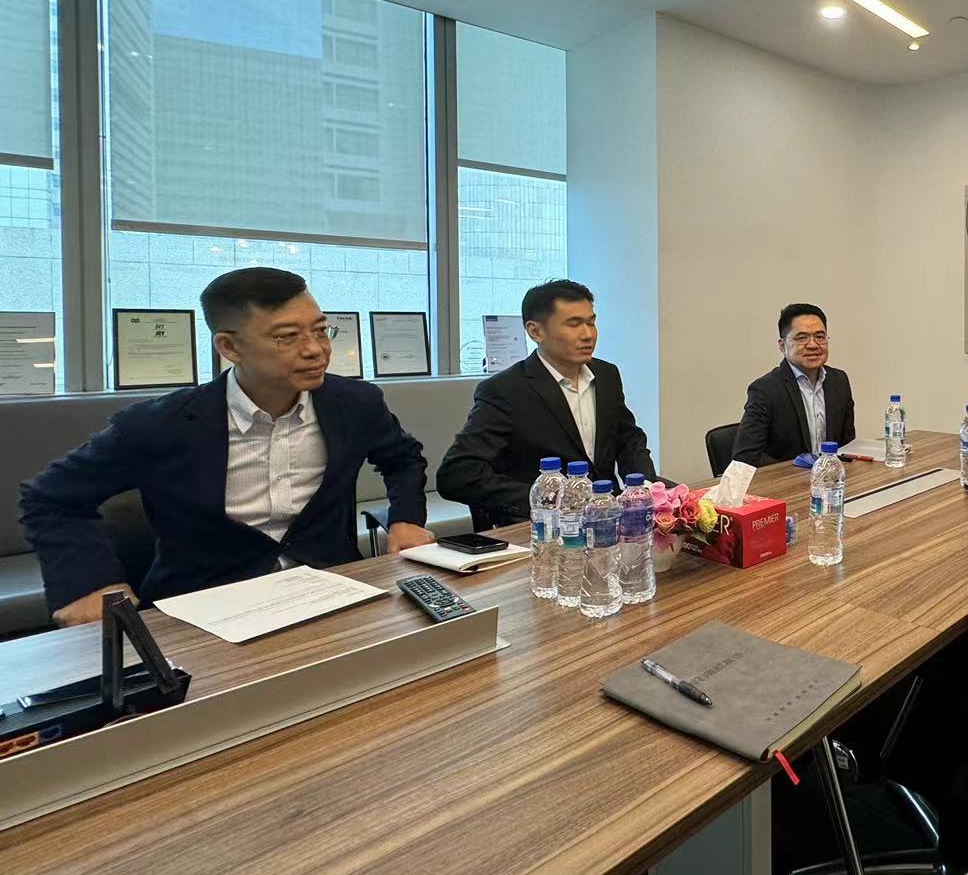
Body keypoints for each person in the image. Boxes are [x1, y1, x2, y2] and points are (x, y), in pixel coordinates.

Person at [22, 268, 432, 626]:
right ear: (229, 348)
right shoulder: (160, 424)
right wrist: (89, 582)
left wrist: (406, 518)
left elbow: (402, 459)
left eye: (321, 330)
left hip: (330, 592)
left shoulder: (355, 404)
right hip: (201, 610)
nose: (315, 349)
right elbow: (50, 498)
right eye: (288, 337)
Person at [437, 278, 656, 524]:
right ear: (535, 331)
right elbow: (458, 474)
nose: (588, 335)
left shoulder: (606, 375)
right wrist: (547, 501)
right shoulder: (505, 390)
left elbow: (628, 439)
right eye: (574, 324)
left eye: (591, 323)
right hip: (545, 527)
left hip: (608, 517)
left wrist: (645, 489)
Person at [730, 303, 856, 466]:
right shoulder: (765, 390)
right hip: (788, 480)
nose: (813, 345)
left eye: (820, 337)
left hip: (832, 478)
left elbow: (847, 445)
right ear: (782, 345)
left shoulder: (839, 380)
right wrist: (802, 470)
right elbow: (745, 456)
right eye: (802, 338)